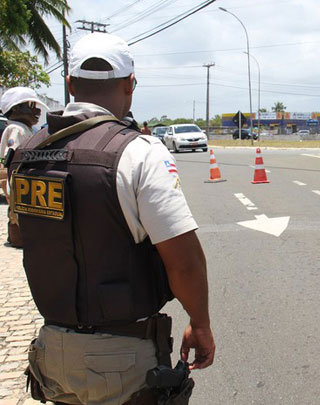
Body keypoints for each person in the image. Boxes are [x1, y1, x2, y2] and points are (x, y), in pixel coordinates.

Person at [9, 32, 215, 404]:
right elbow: (183, 261)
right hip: (122, 360)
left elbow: (26, 237)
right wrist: (200, 323)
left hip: (51, 352)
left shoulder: (24, 154)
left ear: (70, 85)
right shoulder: (138, 152)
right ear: (130, 84)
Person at [0, 87, 48, 247]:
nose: (37, 111)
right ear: (16, 109)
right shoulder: (16, 129)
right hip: (17, 178)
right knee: (16, 213)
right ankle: (17, 237)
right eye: (31, 106)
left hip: (19, 179)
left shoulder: (25, 129)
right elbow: (11, 156)